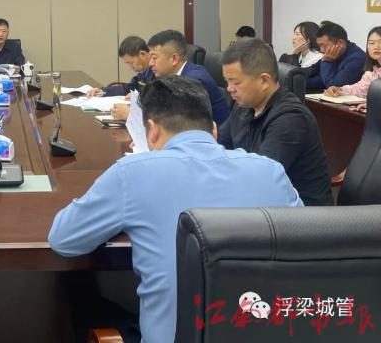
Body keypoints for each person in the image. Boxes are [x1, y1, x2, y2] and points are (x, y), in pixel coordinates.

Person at [48, 76, 301, 343]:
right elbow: (308, 252)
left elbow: (64, 239)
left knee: (81, 296)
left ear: (151, 130)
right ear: (214, 130)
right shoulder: (270, 171)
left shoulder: (132, 173)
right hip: (264, 326)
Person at [218, 38, 333, 206]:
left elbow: (260, 176)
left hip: (302, 213)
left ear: (264, 80)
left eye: (235, 82)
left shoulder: (291, 118)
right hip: (262, 203)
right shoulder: (242, 107)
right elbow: (219, 148)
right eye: (227, 81)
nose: (229, 89)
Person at [145, 30, 230, 126]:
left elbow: (179, 123)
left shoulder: (195, 81)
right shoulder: (170, 76)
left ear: (174, 59)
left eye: (154, 58)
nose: (150, 63)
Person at [87, 36, 154, 98]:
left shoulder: (157, 72)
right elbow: (128, 89)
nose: (130, 66)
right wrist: (102, 91)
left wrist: (139, 97)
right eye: (127, 63)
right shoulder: (143, 73)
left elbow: (156, 96)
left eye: (131, 62)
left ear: (142, 54)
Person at [324, 26, 381, 99]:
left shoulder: (356, 57)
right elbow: (360, 89)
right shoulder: (372, 72)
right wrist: (340, 90)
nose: (376, 47)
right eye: (371, 43)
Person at [308, 21, 365, 90]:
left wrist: (326, 62)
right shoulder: (334, 54)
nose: (321, 50)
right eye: (319, 46)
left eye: (324, 45)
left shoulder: (357, 59)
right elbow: (312, 73)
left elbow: (334, 87)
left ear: (340, 42)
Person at [278, 21, 323, 87]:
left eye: (298, 34)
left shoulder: (320, 60)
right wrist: (294, 56)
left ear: (309, 39)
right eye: (294, 34)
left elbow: (315, 83)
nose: (293, 38)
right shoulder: (289, 57)